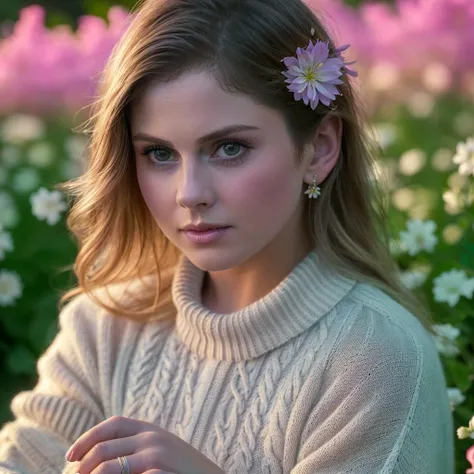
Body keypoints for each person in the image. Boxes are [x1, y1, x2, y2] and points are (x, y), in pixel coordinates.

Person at [0, 0, 454, 472]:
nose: (189, 193)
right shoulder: (103, 329)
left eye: (229, 148)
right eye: (158, 154)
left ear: (320, 148)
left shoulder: (374, 359)